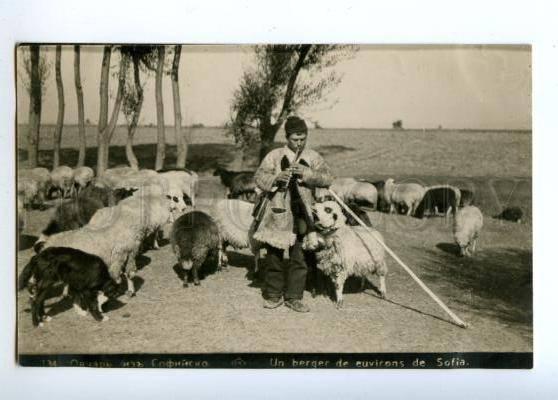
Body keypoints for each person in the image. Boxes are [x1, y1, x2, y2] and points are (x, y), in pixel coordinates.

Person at [253, 116, 333, 312]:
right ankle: (273, 295)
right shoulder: (274, 155)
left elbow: (328, 178)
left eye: (303, 139)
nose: (299, 143)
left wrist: (307, 174)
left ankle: (294, 296)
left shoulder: (313, 157)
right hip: (278, 213)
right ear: (287, 137)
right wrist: (276, 178)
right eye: (295, 139)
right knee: (274, 255)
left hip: (303, 213)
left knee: (300, 256)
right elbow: (259, 177)